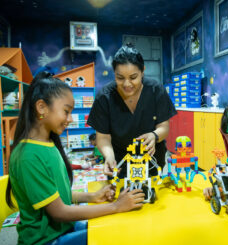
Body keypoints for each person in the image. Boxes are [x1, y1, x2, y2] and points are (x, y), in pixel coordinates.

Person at [6, 72, 145, 245]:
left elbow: (57, 195)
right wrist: (116, 206)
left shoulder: (48, 144)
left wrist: (92, 197)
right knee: (114, 235)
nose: (70, 119)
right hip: (46, 240)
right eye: (66, 111)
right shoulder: (28, 156)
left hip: (62, 228)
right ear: (41, 107)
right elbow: (59, 211)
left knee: (111, 224)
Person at [87, 44, 177, 178]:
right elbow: (103, 137)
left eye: (133, 77)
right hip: (119, 165)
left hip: (152, 163)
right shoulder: (105, 97)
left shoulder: (156, 90)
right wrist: (109, 156)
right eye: (120, 78)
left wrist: (154, 135)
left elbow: (163, 127)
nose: (127, 84)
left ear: (142, 71)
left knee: (151, 195)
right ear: (114, 74)